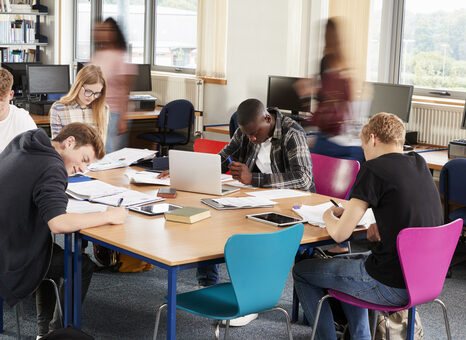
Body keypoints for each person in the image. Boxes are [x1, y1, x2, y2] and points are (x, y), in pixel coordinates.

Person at [160, 98, 314, 326]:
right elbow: (222, 157)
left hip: (292, 203)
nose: (251, 139)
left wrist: (255, 178)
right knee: (207, 212)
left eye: (255, 134)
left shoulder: (292, 133)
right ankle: (207, 282)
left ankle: (250, 302)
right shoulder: (246, 131)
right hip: (256, 198)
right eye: (247, 134)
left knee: (250, 236)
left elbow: (303, 179)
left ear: (268, 119)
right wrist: (182, 171)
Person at [292, 113, 443, 340]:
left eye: (363, 146)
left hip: (390, 285)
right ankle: (360, 336)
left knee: (302, 272)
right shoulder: (419, 164)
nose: (364, 152)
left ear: (372, 139)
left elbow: (340, 232)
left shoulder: (373, 169)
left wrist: (328, 214)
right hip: (426, 280)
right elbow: (406, 210)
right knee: (348, 264)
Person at [0, 123, 128, 338]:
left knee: (45, 251)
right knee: (81, 266)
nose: (83, 169)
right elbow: (58, 223)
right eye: (84, 160)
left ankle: (44, 333)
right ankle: (56, 334)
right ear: (69, 142)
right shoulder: (52, 167)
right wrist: (108, 216)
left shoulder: (27, 141)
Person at [294, 17, 364, 163]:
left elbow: (322, 108)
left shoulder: (326, 62)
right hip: (346, 140)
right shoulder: (348, 67)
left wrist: (306, 95)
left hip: (329, 140)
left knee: (305, 155)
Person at [90, 17, 136, 153]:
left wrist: (123, 118)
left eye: (105, 30)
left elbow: (124, 91)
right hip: (98, 112)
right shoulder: (98, 55)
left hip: (114, 114)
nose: (100, 33)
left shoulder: (119, 56)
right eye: (99, 30)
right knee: (100, 153)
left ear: (114, 33)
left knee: (111, 155)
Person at [49, 64, 109, 142]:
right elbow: (58, 146)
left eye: (97, 93)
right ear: (78, 85)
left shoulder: (103, 108)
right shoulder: (59, 109)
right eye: (88, 91)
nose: (91, 97)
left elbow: (101, 144)